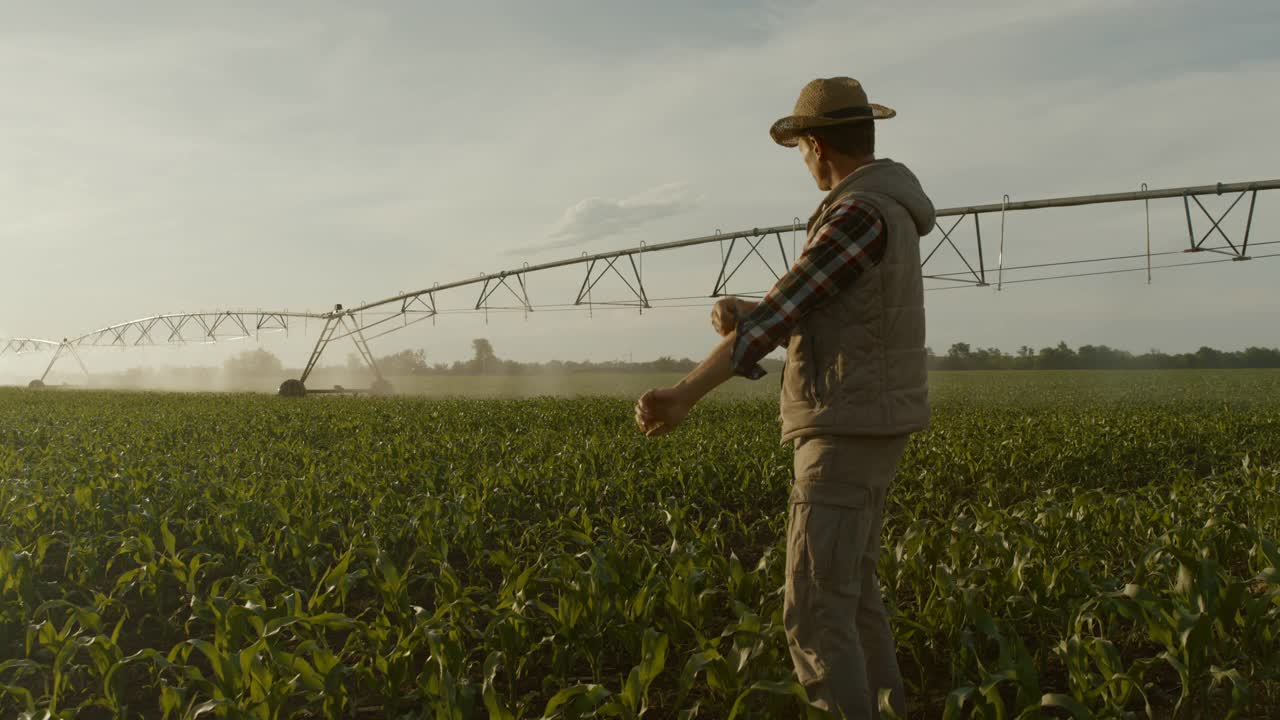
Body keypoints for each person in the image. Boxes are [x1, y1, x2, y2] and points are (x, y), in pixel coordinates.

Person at [634, 76, 935, 719]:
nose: (804, 163)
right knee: (854, 600)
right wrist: (754, 309)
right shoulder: (885, 209)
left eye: (800, 149)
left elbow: (782, 314)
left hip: (842, 431)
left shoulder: (859, 212)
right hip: (872, 426)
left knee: (818, 612)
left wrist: (686, 393)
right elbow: (817, 304)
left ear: (818, 146)